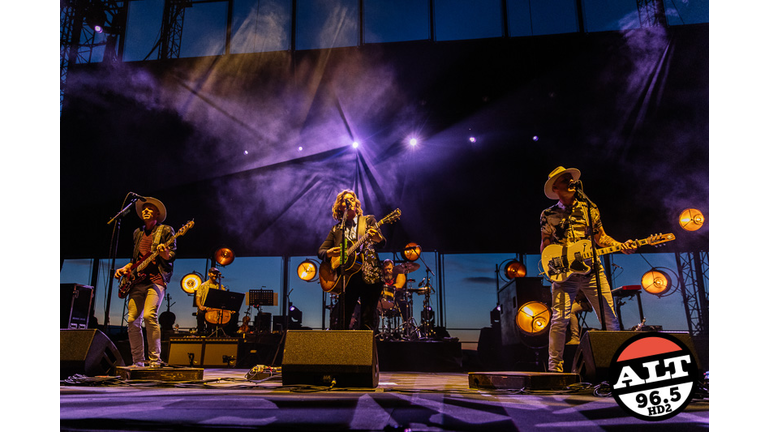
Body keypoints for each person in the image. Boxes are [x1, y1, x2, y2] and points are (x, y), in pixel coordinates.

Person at [540, 167, 636, 373]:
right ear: (556, 187)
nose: (571, 181)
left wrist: (620, 245)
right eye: (565, 179)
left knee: (609, 316)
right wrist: (554, 264)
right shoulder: (548, 214)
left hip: (592, 270)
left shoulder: (589, 208)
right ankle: (554, 369)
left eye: (570, 178)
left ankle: (617, 367)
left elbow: (600, 237)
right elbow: (545, 244)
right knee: (559, 319)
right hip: (565, 276)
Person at [115, 197, 176, 368]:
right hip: (137, 282)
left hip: (156, 280)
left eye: (150, 209)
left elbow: (171, 255)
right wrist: (124, 269)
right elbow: (136, 260)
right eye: (144, 209)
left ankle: (155, 360)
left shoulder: (165, 230)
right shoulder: (138, 233)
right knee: (133, 320)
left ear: (157, 213)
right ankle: (138, 361)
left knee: (150, 316)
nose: (146, 211)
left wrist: (163, 253)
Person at [318, 190, 385, 331]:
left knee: (367, 320)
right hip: (347, 279)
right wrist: (329, 253)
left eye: (352, 199)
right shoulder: (336, 229)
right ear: (340, 206)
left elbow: (382, 242)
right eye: (345, 200)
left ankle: (365, 351)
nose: (349, 202)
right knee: (343, 319)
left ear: (356, 204)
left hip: (370, 274)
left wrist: (377, 238)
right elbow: (321, 251)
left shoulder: (368, 221)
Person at [195, 267, 223, 335]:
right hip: (206, 308)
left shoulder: (220, 286)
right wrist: (200, 306)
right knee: (200, 312)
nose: (215, 275)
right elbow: (198, 298)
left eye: (216, 274)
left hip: (215, 308)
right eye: (213, 273)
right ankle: (200, 330)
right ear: (209, 274)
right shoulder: (202, 286)